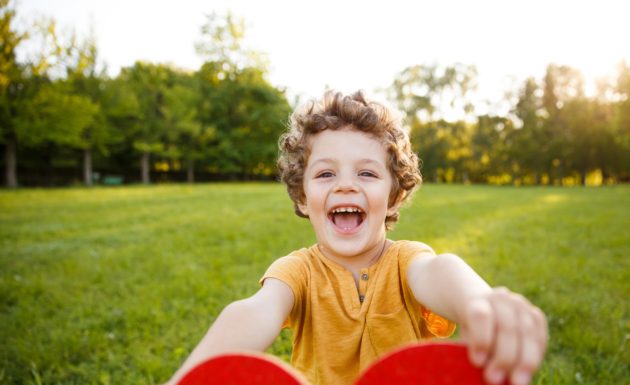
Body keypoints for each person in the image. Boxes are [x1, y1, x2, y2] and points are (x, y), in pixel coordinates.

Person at [166, 90, 547, 385]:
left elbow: (439, 271)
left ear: (394, 194)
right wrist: (190, 377)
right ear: (302, 195)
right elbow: (255, 311)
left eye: (366, 174)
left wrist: (480, 303)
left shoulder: (406, 262)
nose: (346, 185)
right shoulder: (297, 271)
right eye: (326, 175)